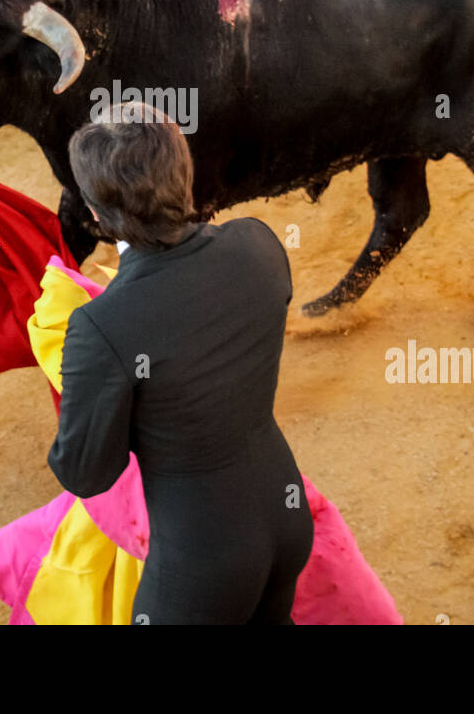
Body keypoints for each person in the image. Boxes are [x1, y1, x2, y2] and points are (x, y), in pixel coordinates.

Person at [46, 104, 313, 623]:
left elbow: (86, 473)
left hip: (204, 560)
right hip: (286, 515)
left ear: (97, 216)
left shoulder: (101, 328)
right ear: (184, 176)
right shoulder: (257, 243)